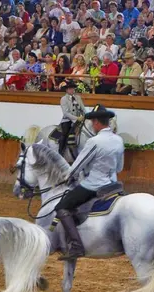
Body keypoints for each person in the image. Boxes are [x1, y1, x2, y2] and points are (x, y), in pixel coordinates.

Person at [54, 104, 125, 260]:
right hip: (113, 184)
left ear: (97, 123)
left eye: (93, 122)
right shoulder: (119, 140)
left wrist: (66, 177)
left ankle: (77, 246)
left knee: (61, 207)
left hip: (94, 185)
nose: (92, 125)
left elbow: (77, 166)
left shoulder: (95, 141)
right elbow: (120, 167)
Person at [58, 81, 86, 155]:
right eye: (70, 89)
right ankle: (61, 151)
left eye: (73, 88)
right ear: (66, 90)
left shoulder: (78, 97)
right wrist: (76, 118)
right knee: (65, 133)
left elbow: (83, 108)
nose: (72, 90)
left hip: (79, 119)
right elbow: (66, 113)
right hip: (67, 120)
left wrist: (85, 115)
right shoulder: (63, 99)